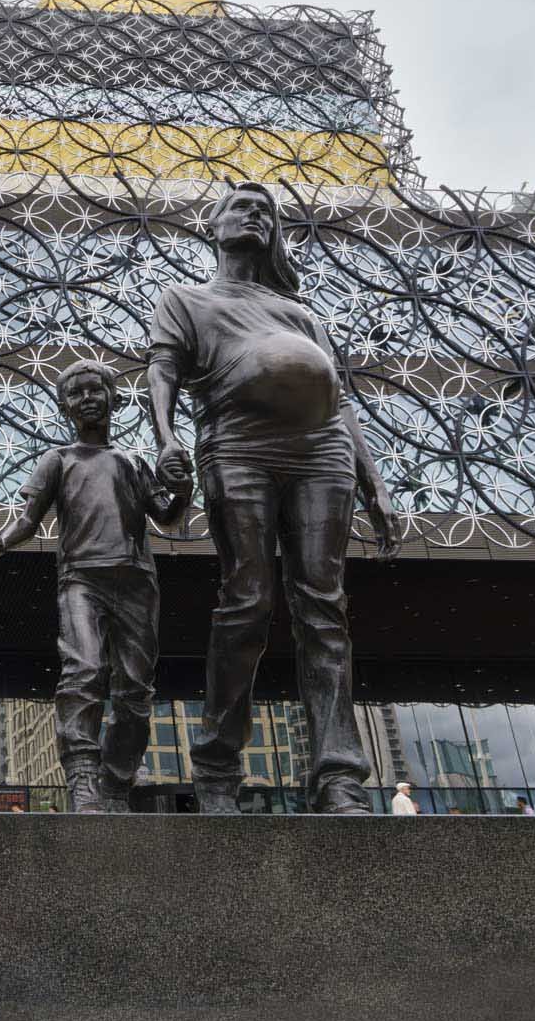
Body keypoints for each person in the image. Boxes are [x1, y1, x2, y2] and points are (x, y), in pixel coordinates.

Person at [147, 183, 397, 815]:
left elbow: (339, 401)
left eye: (266, 211)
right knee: (247, 600)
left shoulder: (299, 312)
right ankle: (217, 765)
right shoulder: (186, 300)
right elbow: (163, 370)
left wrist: (374, 483)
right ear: (213, 226)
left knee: (324, 607)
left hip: (322, 451)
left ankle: (338, 775)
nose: (256, 214)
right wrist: (166, 438)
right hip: (239, 444)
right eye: (242, 206)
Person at [0, 359, 191, 812]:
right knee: (83, 671)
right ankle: (82, 774)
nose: (87, 399)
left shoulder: (134, 461)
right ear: (64, 408)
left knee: (135, 689)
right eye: (76, 393)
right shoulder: (57, 460)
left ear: (113, 399)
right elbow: (27, 521)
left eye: (94, 390)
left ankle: (116, 777)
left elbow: (167, 517)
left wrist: (183, 488)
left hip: (136, 582)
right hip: (81, 578)